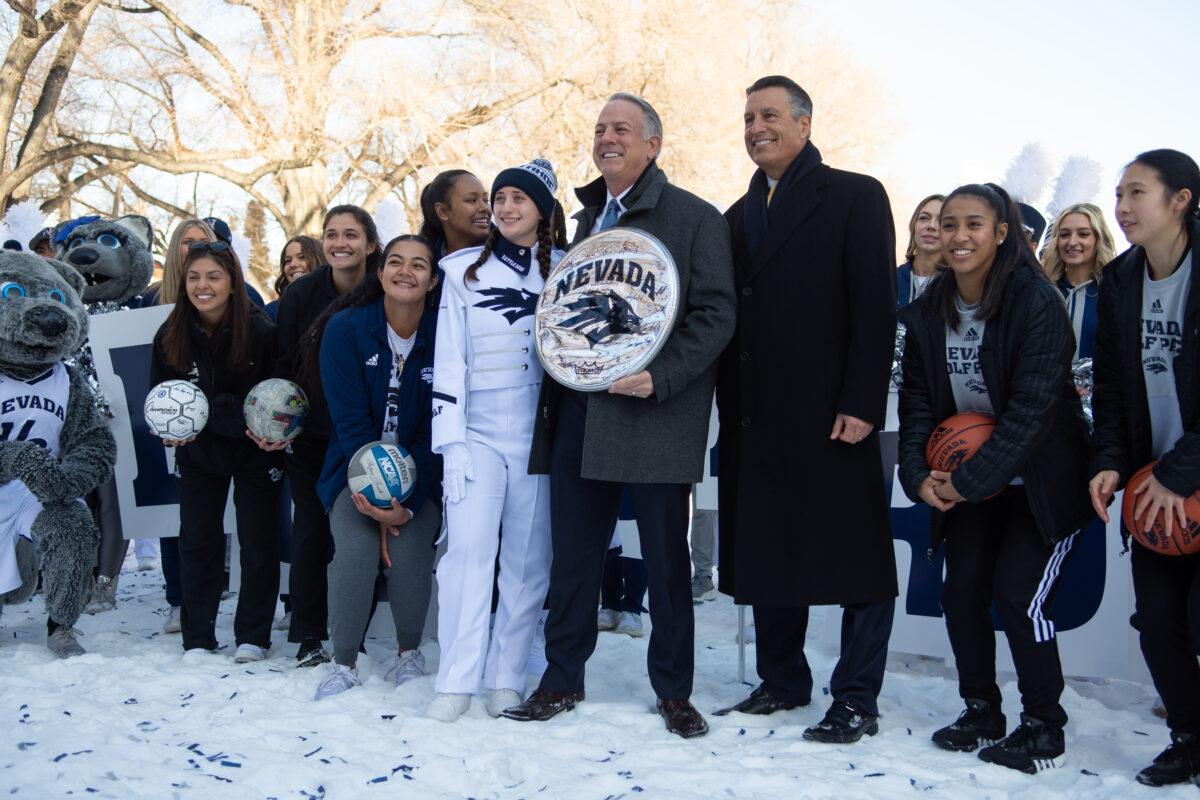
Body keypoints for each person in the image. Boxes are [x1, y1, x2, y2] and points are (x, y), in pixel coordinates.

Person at [501, 93, 736, 739]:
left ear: (652, 144)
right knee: (574, 558)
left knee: (666, 563)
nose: (607, 138)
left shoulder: (694, 218)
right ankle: (560, 678)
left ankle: (674, 692)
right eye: (600, 129)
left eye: (621, 129)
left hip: (656, 415)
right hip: (581, 413)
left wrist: (662, 376)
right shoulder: (579, 223)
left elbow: (717, 314)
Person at [714, 75, 897, 744]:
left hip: (832, 413)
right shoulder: (736, 215)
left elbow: (876, 306)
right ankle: (783, 679)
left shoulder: (854, 195)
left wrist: (861, 401)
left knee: (859, 561)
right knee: (767, 552)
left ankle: (856, 697)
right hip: (755, 415)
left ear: (805, 124)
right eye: (747, 117)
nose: (756, 126)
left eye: (768, 115)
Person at [897, 183, 1093, 773]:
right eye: (949, 224)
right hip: (972, 481)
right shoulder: (931, 309)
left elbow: (1033, 412)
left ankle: (1043, 724)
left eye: (974, 225)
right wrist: (917, 474)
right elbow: (917, 404)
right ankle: (981, 709)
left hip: (1038, 479)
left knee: (1018, 595)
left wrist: (967, 480)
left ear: (1001, 232)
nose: (958, 236)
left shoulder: (1035, 302)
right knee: (959, 593)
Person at [425, 158, 564, 722]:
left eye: (517, 200)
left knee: (529, 561)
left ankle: (506, 675)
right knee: (467, 554)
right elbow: (448, 360)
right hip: (477, 431)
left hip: (538, 432)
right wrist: (451, 442)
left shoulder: (564, 271)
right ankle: (454, 680)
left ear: (542, 212)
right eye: (498, 197)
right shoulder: (460, 270)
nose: (502, 208)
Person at [1089, 149, 1200, 787]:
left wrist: (1180, 469)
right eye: (1119, 194)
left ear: (1181, 198)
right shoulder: (1122, 278)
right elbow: (1111, 389)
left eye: (1136, 193)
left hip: (1181, 476)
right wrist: (1109, 462)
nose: (1123, 208)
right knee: (1158, 621)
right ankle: (1188, 738)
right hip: (1156, 489)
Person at [301, 235, 443, 699]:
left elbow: (437, 430)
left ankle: (408, 653)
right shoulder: (345, 329)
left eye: (419, 265)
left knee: (409, 551)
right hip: (353, 470)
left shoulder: (446, 334)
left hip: (420, 475)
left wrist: (403, 505)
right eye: (395, 262)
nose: (406, 271)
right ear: (379, 274)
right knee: (357, 552)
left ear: (433, 280)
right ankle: (343, 661)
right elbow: (350, 423)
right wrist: (377, 498)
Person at [149, 241, 282, 660]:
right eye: (193, 277)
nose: (202, 286)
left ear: (232, 282)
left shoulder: (261, 331)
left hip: (255, 451)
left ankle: (252, 637)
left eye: (213, 277)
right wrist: (168, 428)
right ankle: (198, 638)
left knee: (258, 542)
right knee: (198, 541)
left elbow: (273, 399)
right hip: (198, 452)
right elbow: (160, 395)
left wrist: (273, 431)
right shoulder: (171, 333)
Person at [273, 205, 383, 666]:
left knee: (358, 535)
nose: (341, 242)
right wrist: (280, 424)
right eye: (332, 234)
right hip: (313, 434)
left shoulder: (386, 285)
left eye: (351, 234)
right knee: (311, 534)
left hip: (365, 434)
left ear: (371, 244)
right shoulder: (301, 295)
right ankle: (309, 634)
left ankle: (352, 632)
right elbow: (282, 366)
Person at [1039, 203, 1118, 361]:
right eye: (1064, 235)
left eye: (1083, 234)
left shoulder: (1114, 293)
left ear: (1098, 239)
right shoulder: (1042, 294)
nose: (1072, 242)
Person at [418, 170, 491, 260]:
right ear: (442, 212)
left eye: (485, 200)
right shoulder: (425, 265)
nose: (485, 208)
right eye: (472, 200)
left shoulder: (509, 252)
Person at [897, 194, 945, 308]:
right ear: (914, 225)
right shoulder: (889, 281)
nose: (931, 226)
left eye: (941, 220)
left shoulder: (959, 288)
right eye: (924, 218)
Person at [266, 235, 323, 321]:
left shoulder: (338, 306)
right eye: (288, 260)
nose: (293, 264)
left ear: (319, 260)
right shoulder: (271, 312)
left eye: (302, 257)